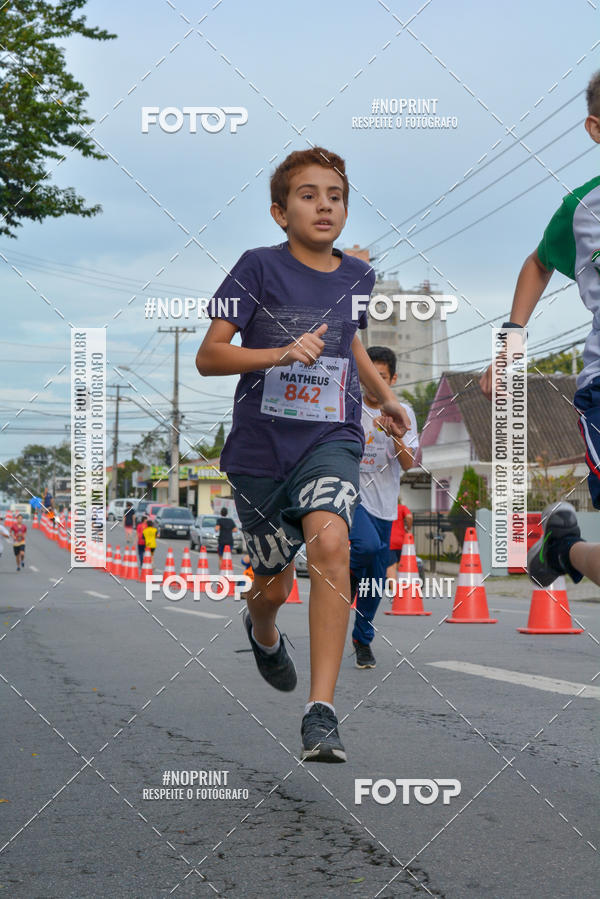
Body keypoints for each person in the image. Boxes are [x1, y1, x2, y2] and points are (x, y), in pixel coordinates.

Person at [196, 147, 411, 763]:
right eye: (309, 194)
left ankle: (321, 711)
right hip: (261, 450)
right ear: (279, 211)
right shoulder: (255, 268)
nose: (324, 205)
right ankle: (263, 631)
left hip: (331, 438)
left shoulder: (358, 277)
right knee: (272, 585)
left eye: (336, 195)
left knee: (332, 544)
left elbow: (352, 346)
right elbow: (210, 356)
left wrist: (386, 398)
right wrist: (278, 354)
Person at [480, 71, 600, 590]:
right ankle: (566, 550)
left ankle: (564, 550)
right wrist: (510, 343)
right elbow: (537, 263)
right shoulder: (582, 211)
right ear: (596, 129)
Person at [349, 346, 419, 668]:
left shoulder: (403, 411)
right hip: (351, 497)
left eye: (381, 378)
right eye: (368, 377)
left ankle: (362, 639)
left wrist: (396, 435)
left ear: (392, 379)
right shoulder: (349, 406)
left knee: (375, 584)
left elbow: (408, 465)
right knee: (365, 545)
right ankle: (339, 582)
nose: (372, 384)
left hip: (385, 508)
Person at [386, 501, 413, 581]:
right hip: (401, 541)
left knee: (391, 566)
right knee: (400, 565)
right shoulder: (401, 507)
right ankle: (400, 585)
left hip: (389, 541)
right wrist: (408, 528)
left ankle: (395, 590)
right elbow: (409, 517)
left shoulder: (384, 508)